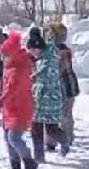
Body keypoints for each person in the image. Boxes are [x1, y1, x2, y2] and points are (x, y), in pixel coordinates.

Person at [0, 31, 38, 169]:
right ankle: (15, 167)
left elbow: (12, 88)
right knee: (7, 138)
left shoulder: (20, 67)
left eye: (5, 54)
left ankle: (29, 161)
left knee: (14, 137)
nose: (3, 57)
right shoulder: (9, 65)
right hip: (9, 107)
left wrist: (0, 100)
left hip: (20, 107)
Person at [26, 27, 69, 161]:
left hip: (50, 100)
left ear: (38, 47)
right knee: (36, 129)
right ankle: (39, 156)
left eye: (33, 50)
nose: (32, 53)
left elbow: (44, 80)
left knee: (51, 129)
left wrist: (30, 79)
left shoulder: (48, 61)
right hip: (39, 100)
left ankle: (65, 141)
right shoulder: (41, 59)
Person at [46, 22, 79, 148]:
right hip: (54, 88)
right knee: (51, 114)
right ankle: (51, 142)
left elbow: (60, 69)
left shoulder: (64, 51)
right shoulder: (48, 49)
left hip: (67, 87)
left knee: (65, 115)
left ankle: (67, 139)